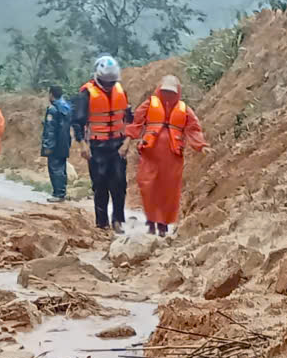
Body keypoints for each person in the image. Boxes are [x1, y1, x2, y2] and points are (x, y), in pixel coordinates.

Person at [125, 74, 209, 237]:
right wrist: (126, 142)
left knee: (168, 191)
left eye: (171, 92)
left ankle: (162, 224)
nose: (167, 95)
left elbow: (193, 129)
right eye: (165, 92)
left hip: (172, 156)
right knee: (148, 186)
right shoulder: (149, 104)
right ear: (159, 90)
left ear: (177, 92)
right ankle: (151, 221)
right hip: (150, 154)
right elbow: (136, 123)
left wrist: (201, 146)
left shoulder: (184, 109)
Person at [73, 55, 131, 233]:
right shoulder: (87, 93)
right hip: (97, 147)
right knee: (100, 185)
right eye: (106, 82)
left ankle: (118, 221)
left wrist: (127, 142)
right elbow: (77, 122)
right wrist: (82, 144)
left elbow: (130, 119)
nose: (109, 85)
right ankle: (101, 223)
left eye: (112, 82)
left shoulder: (120, 90)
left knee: (119, 184)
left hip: (118, 145)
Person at [41, 85, 73, 202]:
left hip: (55, 143)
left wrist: (47, 146)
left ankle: (58, 194)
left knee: (55, 168)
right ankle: (62, 192)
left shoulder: (53, 109)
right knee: (62, 167)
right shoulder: (67, 107)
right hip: (65, 142)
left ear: (51, 94)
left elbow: (50, 130)